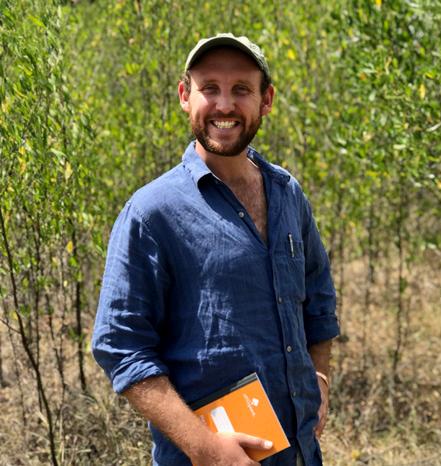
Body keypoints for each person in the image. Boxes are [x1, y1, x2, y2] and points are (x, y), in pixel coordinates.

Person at [92, 33, 339, 466]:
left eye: (241, 89)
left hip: (300, 451)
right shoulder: (152, 212)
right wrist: (205, 449)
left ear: (266, 100)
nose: (225, 105)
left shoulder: (287, 193)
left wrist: (320, 374)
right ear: (185, 96)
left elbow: (318, 300)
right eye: (210, 88)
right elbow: (120, 345)